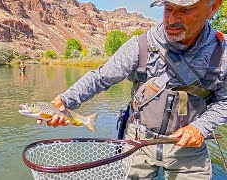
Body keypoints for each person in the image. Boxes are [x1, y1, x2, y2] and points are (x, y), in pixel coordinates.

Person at [37, 0, 226, 179]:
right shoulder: (140, 46)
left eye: (185, 10)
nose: (171, 19)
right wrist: (64, 100)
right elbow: (99, 78)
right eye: (168, 8)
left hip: (189, 148)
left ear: (213, 7)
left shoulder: (222, 54)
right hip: (137, 141)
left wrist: (200, 127)